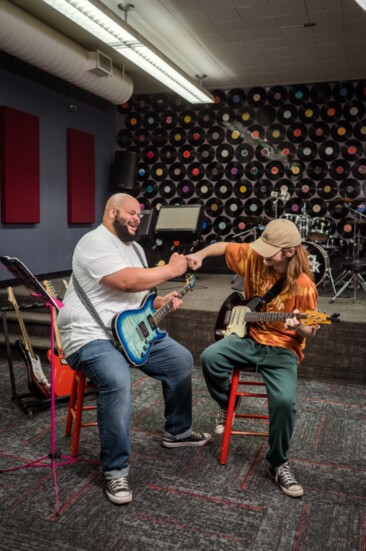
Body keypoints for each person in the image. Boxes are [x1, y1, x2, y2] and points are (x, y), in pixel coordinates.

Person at [57, 193, 211, 505]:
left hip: (130, 331)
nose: (137, 218)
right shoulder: (93, 242)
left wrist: (160, 301)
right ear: (111, 211)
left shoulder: (137, 249)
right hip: (89, 334)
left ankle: (177, 432)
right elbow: (126, 282)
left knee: (180, 360)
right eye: (130, 212)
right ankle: (115, 470)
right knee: (117, 379)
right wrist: (171, 269)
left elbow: (139, 296)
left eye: (139, 214)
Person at [186, 218, 318, 498]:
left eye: (270, 249)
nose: (261, 252)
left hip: (282, 348)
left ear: (289, 252)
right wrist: (199, 254)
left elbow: (311, 329)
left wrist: (300, 326)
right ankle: (228, 402)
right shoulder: (256, 257)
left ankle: (277, 462)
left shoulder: (303, 285)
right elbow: (222, 246)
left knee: (284, 402)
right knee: (209, 358)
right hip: (247, 336)